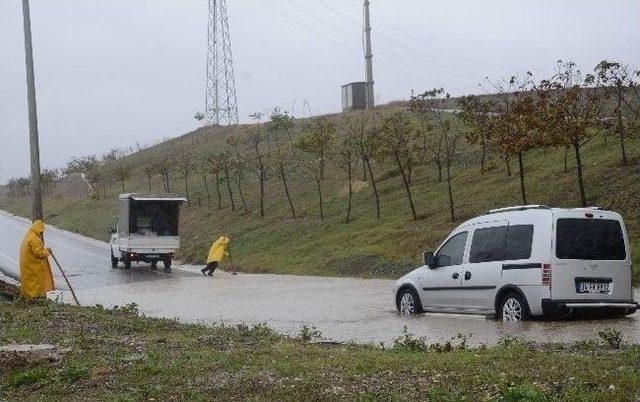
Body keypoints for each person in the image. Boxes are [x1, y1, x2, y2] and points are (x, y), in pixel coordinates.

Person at [19, 220, 55, 300]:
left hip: (28, 265)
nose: (42, 234)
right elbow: (39, 253)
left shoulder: (28, 235)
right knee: (35, 283)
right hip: (33, 266)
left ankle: (27, 297)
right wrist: (47, 251)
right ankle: (35, 298)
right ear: (39, 230)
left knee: (28, 282)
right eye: (41, 232)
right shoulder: (35, 239)